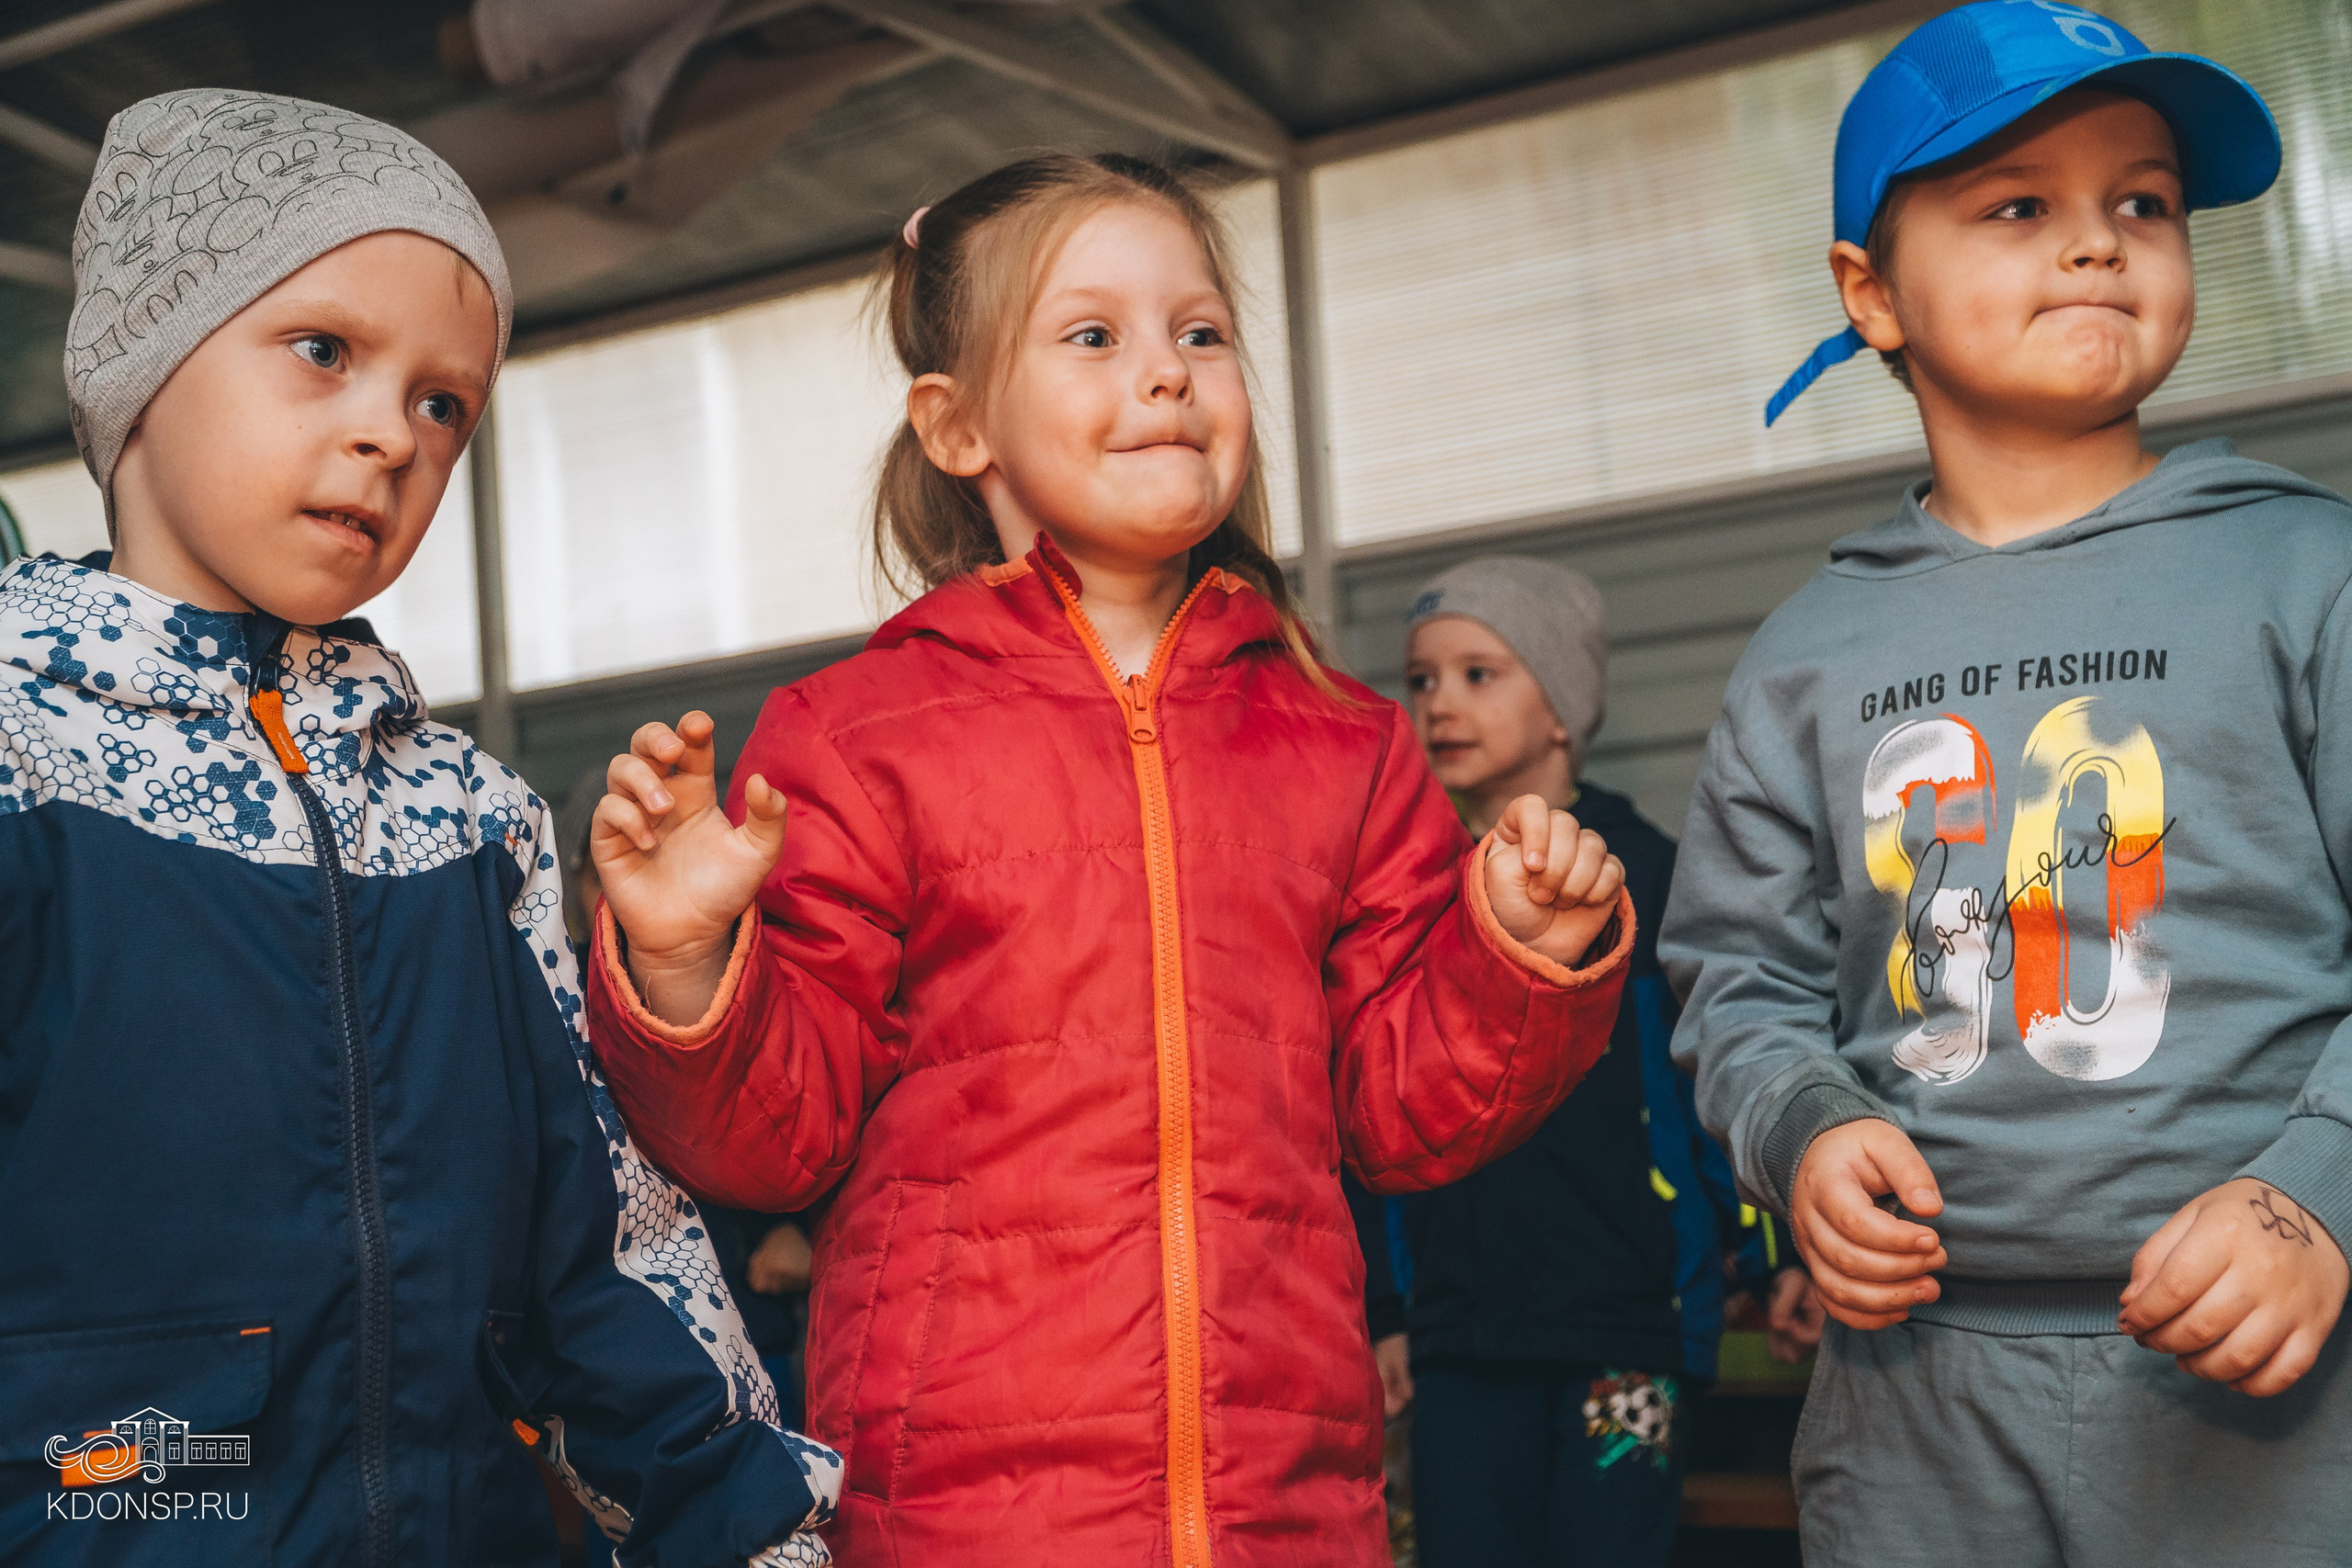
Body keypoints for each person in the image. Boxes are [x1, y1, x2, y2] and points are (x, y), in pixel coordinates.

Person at [580, 152, 1637, 1567]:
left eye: (1200, 332)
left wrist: (1515, 957)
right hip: (967, 1510)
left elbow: (1400, 1110)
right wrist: (685, 956)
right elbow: (779, 1137)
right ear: (958, 426)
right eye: (1094, 336)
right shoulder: (855, 735)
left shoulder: (1345, 737)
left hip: (1289, 1504)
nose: (1168, 373)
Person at [0, 90, 838, 1566]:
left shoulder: (472, 819)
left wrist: (756, 1531)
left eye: (445, 401)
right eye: (324, 351)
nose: (391, 430)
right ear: (146, 360)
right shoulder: (22, 759)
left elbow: (609, 1256)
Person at [1663, 6, 2352, 1563]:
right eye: (2020, 205)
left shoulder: (2307, 571)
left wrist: (2323, 1192)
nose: (2101, 245)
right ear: (1870, 293)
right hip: (1916, 1406)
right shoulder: (1802, 653)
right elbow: (1739, 979)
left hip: (2272, 1385)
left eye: (2146, 202)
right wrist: (1806, 1129)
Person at [1383, 558, 1816, 1567]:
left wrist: (1777, 1256)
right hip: (1458, 1342)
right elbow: (1369, 1109)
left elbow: (1716, 1083)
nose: (1440, 703)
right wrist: (1384, 1314)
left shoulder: (1652, 876)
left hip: (1628, 1340)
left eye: (1479, 674)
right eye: (1421, 679)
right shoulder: (1402, 892)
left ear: (1563, 708)